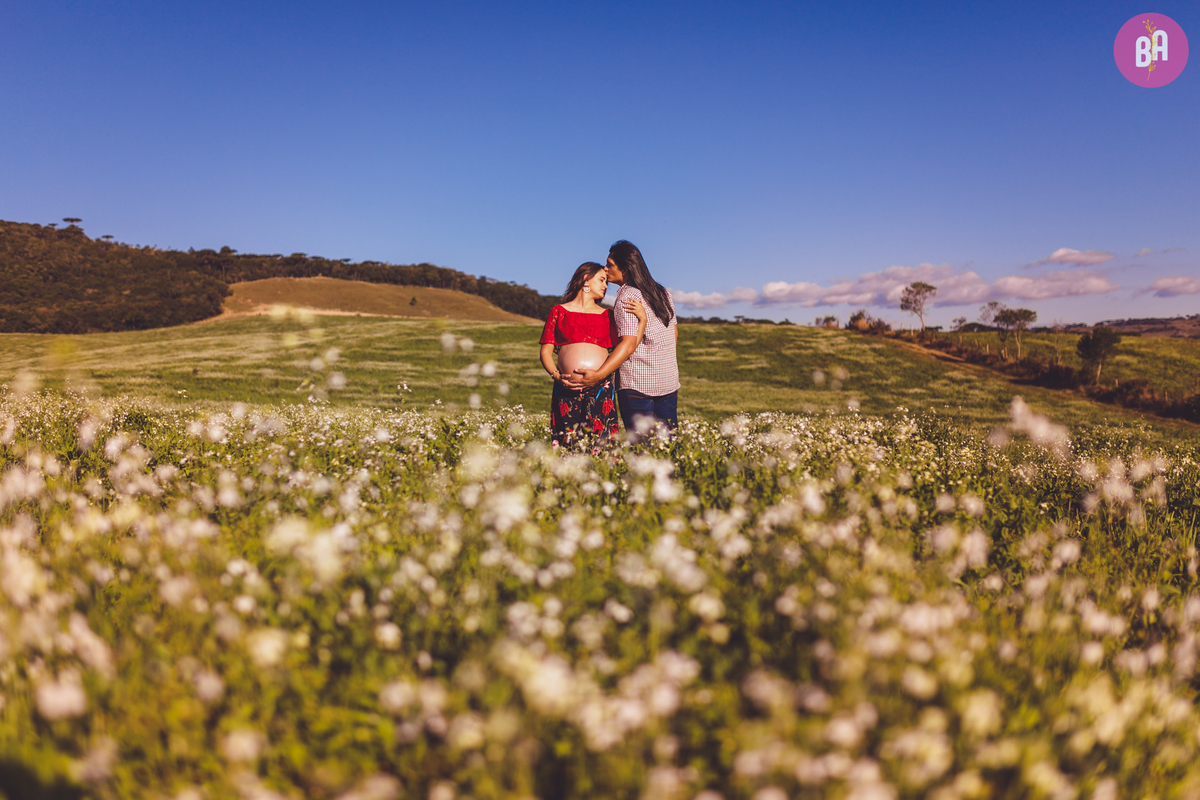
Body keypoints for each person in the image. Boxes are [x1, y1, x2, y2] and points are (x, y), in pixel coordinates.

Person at [562, 241, 679, 437]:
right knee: (668, 445)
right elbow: (673, 334)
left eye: (610, 264)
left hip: (637, 385)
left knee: (641, 446)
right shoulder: (663, 293)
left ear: (624, 269)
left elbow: (628, 344)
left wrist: (598, 376)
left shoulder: (627, 297)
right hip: (668, 382)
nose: (605, 269)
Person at [540, 262, 646, 448]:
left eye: (606, 282)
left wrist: (642, 321)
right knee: (567, 444)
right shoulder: (559, 311)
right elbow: (545, 351)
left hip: (600, 387)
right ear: (586, 279)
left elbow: (628, 348)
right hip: (566, 387)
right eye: (601, 280)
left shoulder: (609, 315)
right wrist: (556, 376)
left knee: (601, 443)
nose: (605, 285)